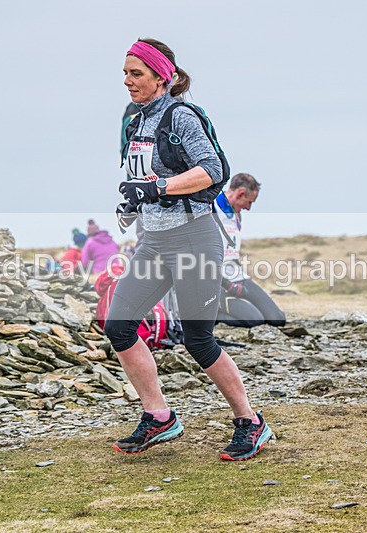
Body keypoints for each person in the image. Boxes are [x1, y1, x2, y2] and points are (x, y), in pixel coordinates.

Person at [106, 38, 272, 461]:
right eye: (125, 73)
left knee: (198, 339)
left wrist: (158, 186)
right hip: (153, 242)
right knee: (119, 327)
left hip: (194, 239)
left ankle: (251, 423)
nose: (127, 81)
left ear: (162, 77)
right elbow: (142, 177)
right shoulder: (135, 121)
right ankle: (159, 417)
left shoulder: (182, 116)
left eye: (136, 73)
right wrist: (132, 201)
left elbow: (213, 170)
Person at [215, 173, 286, 328]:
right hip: (216, 281)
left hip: (237, 275)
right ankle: (212, 315)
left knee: (277, 319)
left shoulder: (237, 214)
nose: (248, 208)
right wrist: (227, 285)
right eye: (248, 202)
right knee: (255, 320)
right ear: (240, 193)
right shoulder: (212, 208)